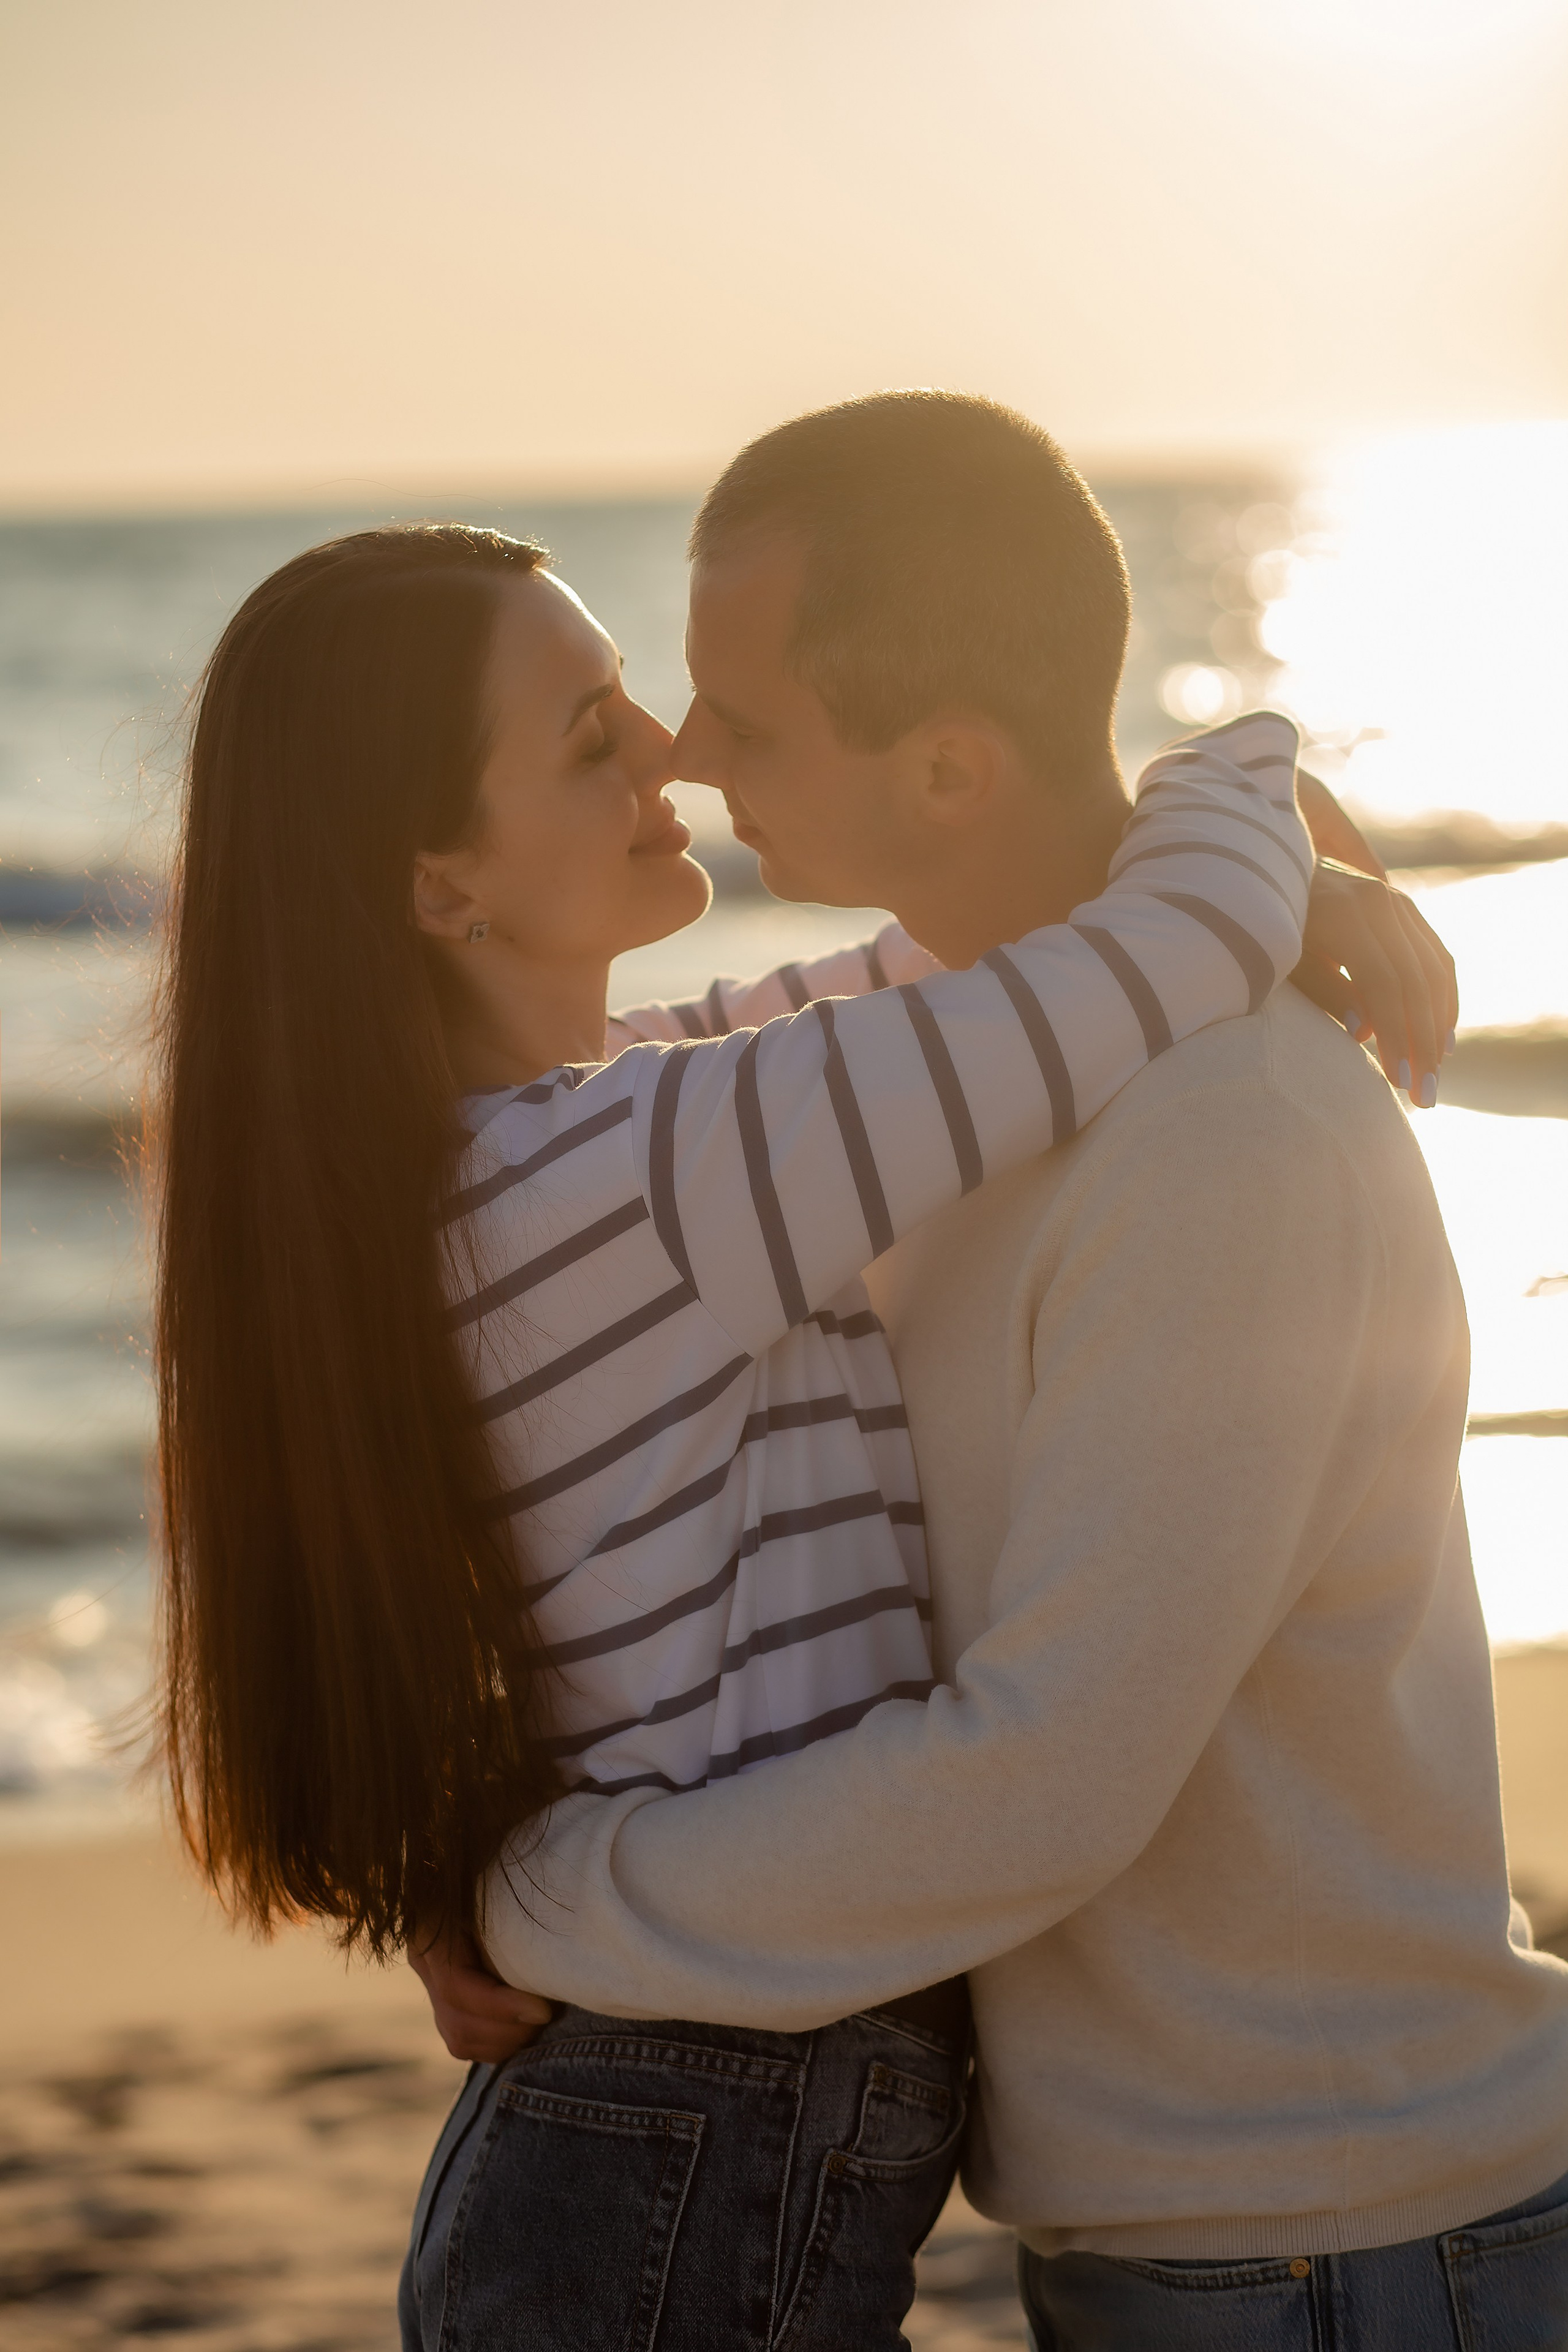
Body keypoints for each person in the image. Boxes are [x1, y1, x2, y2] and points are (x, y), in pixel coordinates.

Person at [435, 395, 1568, 2348]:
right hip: (1184, 2228)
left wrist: (534, 1900)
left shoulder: (1226, 1138)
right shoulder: (927, 1093)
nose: (690, 764)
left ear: (947, 765)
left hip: (1342, 2242)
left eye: (748, 719)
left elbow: (1041, 1780)